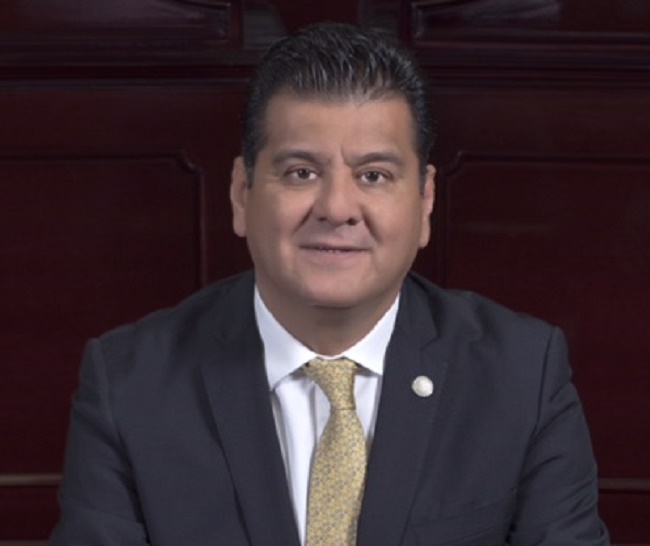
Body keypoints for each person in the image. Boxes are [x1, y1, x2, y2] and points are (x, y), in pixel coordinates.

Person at [49, 23, 609, 546]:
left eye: (374, 175)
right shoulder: (128, 385)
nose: (338, 208)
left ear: (425, 201)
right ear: (242, 193)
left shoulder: (522, 375)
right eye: (302, 172)